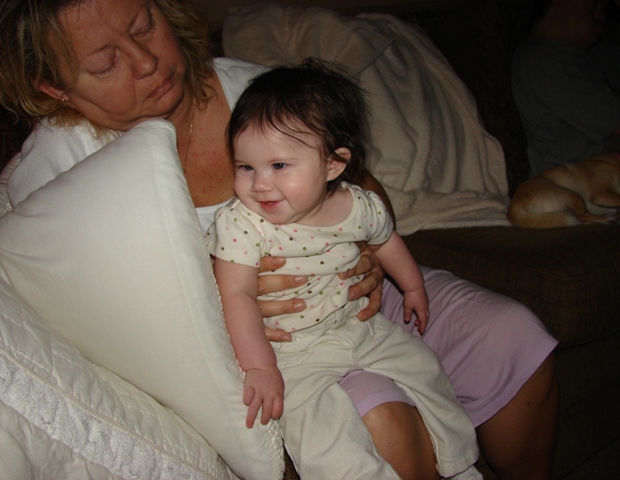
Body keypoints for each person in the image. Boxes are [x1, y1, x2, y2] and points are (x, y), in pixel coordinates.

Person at [0, 0, 559, 478]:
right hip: (277, 351)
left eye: (144, 25)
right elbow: (80, 320)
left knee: (512, 335)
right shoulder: (61, 172)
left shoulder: (256, 91)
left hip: (359, 298)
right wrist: (218, 295)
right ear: (55, 87)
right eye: (106, 63)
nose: (147, 61)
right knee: (383, 425)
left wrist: (367, 253)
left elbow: (360, 187)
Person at [206, 59, 481, 479]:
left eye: (278, 166)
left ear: (333, 165)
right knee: (320, 432)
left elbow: (386, 241)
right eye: (246, 167)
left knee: (426, 370)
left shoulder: (358, 206)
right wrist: (260, 367)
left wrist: (412, 287)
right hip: (292, 352)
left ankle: (459, 462)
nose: (259, 184)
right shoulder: (241, 224)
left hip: (360, 327)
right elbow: (236, 294)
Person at [512, 0, 620, 177]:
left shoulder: (593, 56)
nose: (601, 17)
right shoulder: (545, 60)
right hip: (582, 184)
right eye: (592, 6)